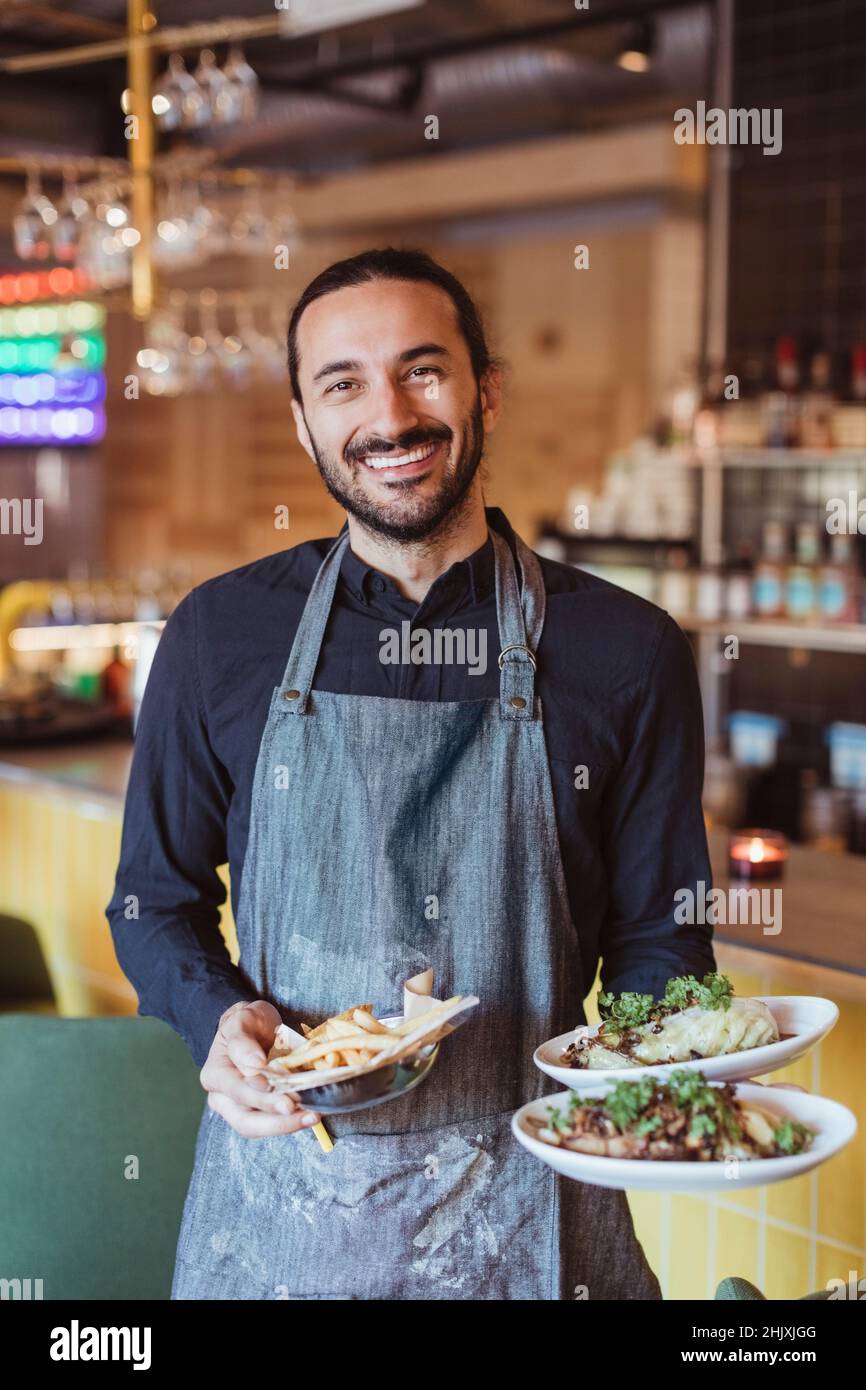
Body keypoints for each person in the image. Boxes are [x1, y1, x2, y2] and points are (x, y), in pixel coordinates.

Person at [106, 246, 715, 1300]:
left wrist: (651, 1080)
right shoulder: (219, 634)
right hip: (286, 1215)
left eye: (421, 369)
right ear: (302, 421)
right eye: (341, 383)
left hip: (538, 1210)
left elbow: (662, 939)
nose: (388, 416)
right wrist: (216, 1019)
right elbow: (149, 903)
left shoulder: (626, 650)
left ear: (485, 388)